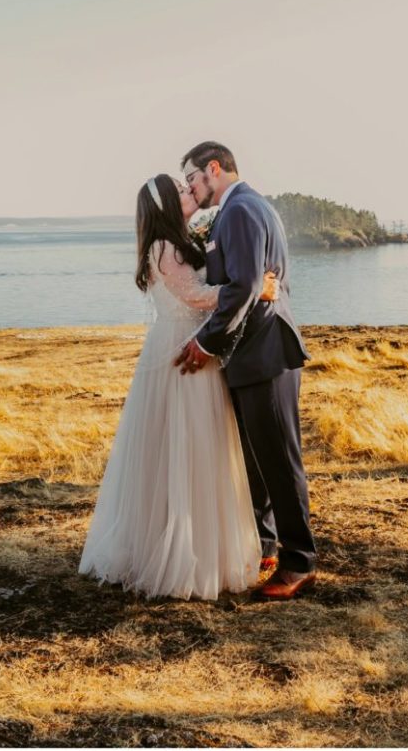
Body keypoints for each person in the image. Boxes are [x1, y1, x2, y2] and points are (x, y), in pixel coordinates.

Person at [78, 173, 279, 600]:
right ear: (169, 205)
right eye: (184, 191)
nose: (192, 193)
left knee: (192, 450)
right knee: (188, 448)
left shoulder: (176, 241)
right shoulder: (165, 247)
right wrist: (255, 288)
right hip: (183, 352)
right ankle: (184, 553)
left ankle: (197, 544)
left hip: (186, 346)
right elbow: (196, 296)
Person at [176, 142, 317, 600]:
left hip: (266, 352)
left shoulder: (240, 210)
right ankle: (267, 547)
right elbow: (247, 282)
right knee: (258, 461)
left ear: (213, 168)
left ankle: (299, 564)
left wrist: (204, 342)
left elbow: (244, 288)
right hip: (251, 354)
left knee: (278, 459)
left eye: (194, 178)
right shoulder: (242, 209)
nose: (193, 188)